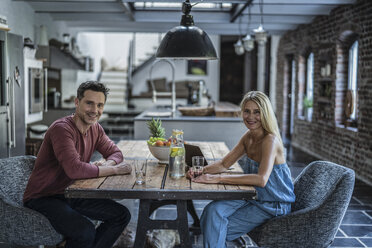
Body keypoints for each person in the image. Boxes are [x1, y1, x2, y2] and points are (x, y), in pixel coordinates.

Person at [23, 81, 132, 248]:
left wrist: (107, 164)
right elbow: (74, 169)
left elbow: (116, 153)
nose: (95, 110)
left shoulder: (96, 128)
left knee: (121, 215)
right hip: (44, 196)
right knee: (85, 231)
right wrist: (113, 169)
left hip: (71, 192)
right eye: (89, 103)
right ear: (77, 102)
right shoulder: (62, 129)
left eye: (100, 105)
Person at [188, 91, 296, 248]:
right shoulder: (248, 137)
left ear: (265, 113)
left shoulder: (270, 140)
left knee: (214, 228)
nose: (251, 117)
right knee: (211, 212)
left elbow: (261, 179)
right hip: (252, 195)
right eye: (247, 111)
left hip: (273, 203)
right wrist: (200, 170)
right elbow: (224, 164)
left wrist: (218, 178)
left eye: (257, 112)